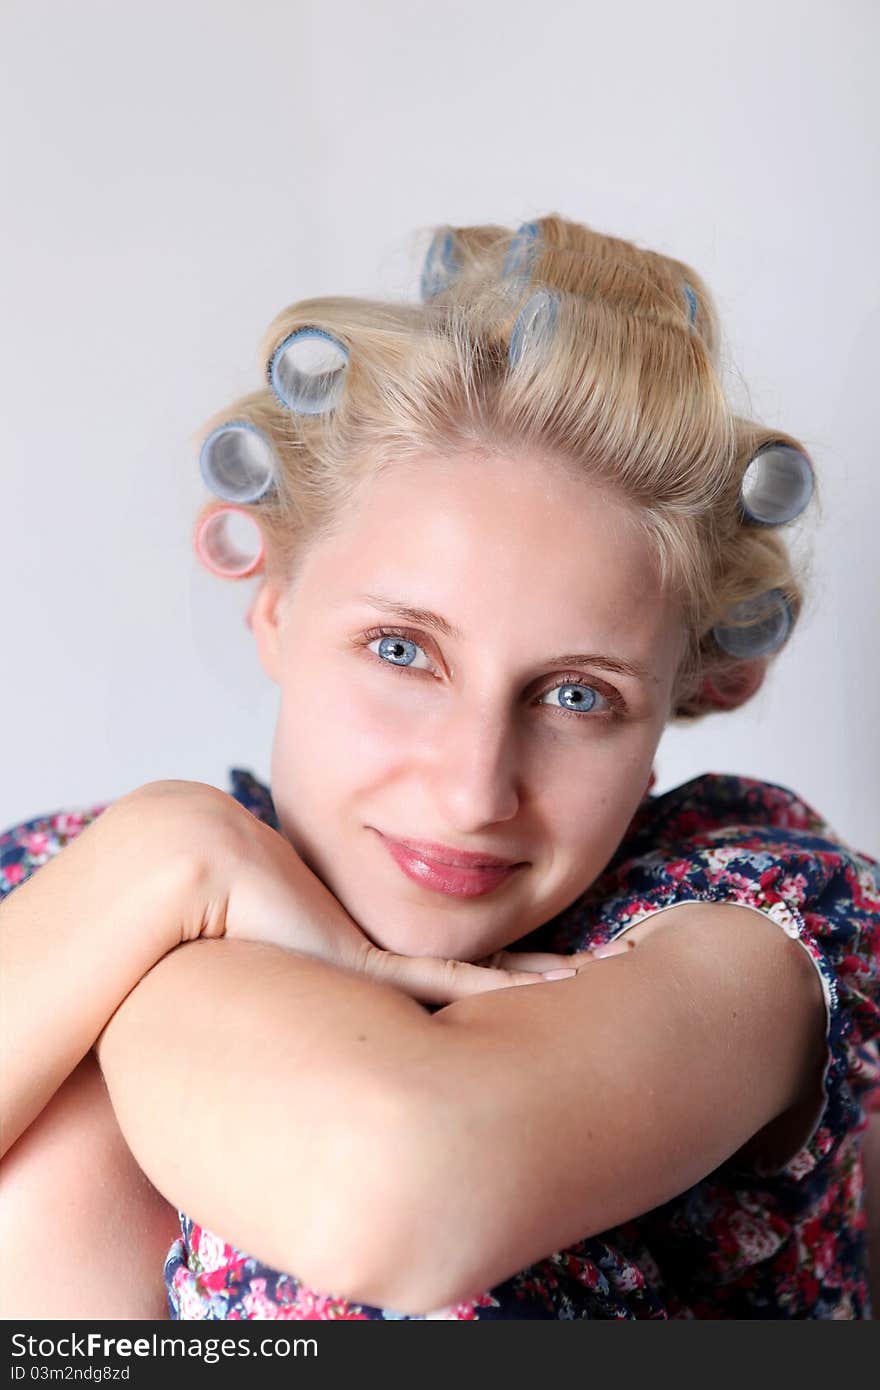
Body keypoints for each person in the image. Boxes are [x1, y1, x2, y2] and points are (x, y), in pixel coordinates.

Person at [1, 213, 879, 1321]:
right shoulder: (91, 871)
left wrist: (135, 966)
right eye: (402, 650)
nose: (472, 792)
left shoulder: (758, 930)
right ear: (272, 606)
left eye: (576, 696)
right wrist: (168, 846)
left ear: (678, 701)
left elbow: (386, 1185)